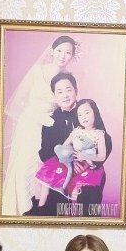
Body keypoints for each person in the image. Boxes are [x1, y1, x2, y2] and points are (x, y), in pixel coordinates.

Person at [1, 35, 78, 216]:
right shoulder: (38, 71)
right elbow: (19, 100)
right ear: (52, 51)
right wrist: (35, 116)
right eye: (59, 51)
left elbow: (69, 103)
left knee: (42, 172)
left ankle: (35, 212)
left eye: (68, 53)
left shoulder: (67, 79)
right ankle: (20, 211)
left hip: (51, 128)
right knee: (23, 170)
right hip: (30, 125)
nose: (63, 56)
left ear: (72, 56)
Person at [28, 74, 112, 216]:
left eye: (68, 90)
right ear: (54, 95)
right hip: (62, 169)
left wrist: (87, 162)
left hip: (88, 168)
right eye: (59, 92)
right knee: (52, 208)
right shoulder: (50, 120)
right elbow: (45, 152)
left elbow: (106, 142)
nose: (65, 95)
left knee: (89, 209)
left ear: (76, 90)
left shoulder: (86, 111)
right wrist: (68, 163)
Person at [36, 98, 109, 205]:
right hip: (71, 162)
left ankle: (75, 198)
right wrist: (70, 157)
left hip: (87, 166)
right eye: (80, 115)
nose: (83, 117)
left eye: (87, 113)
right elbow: (64, 146)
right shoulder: (77, 131)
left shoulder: (99, 134)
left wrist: (85, 157)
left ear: (95, 112)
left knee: (82, 192)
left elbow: (102, 156)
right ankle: (40, 207)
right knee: (48, 178)